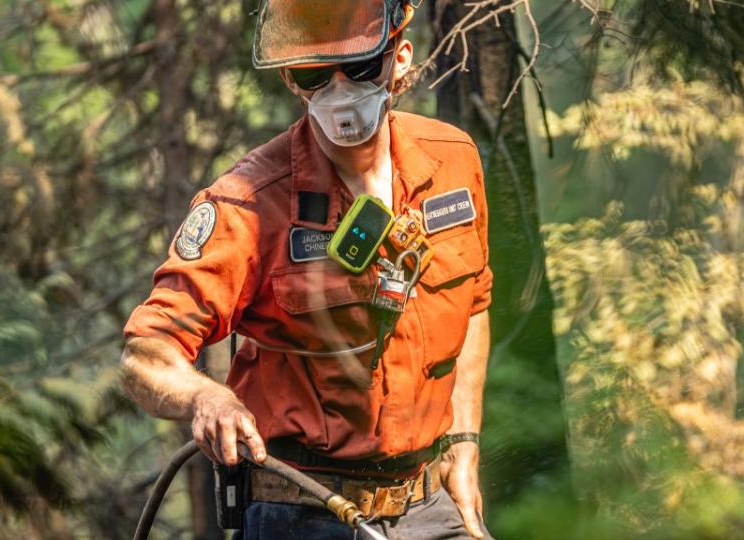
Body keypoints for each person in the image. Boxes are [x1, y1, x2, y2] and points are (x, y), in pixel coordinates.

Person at [120, 1, 493, 538]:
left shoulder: (453, 160)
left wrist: (463, 442)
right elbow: (145, 354)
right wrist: (206, 396)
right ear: (292, 81)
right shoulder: (248, 203)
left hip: (424, 505)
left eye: (359, 67)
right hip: (300, 511)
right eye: (315, 73)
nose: (340, 90)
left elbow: (474, 301)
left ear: (400, 58)